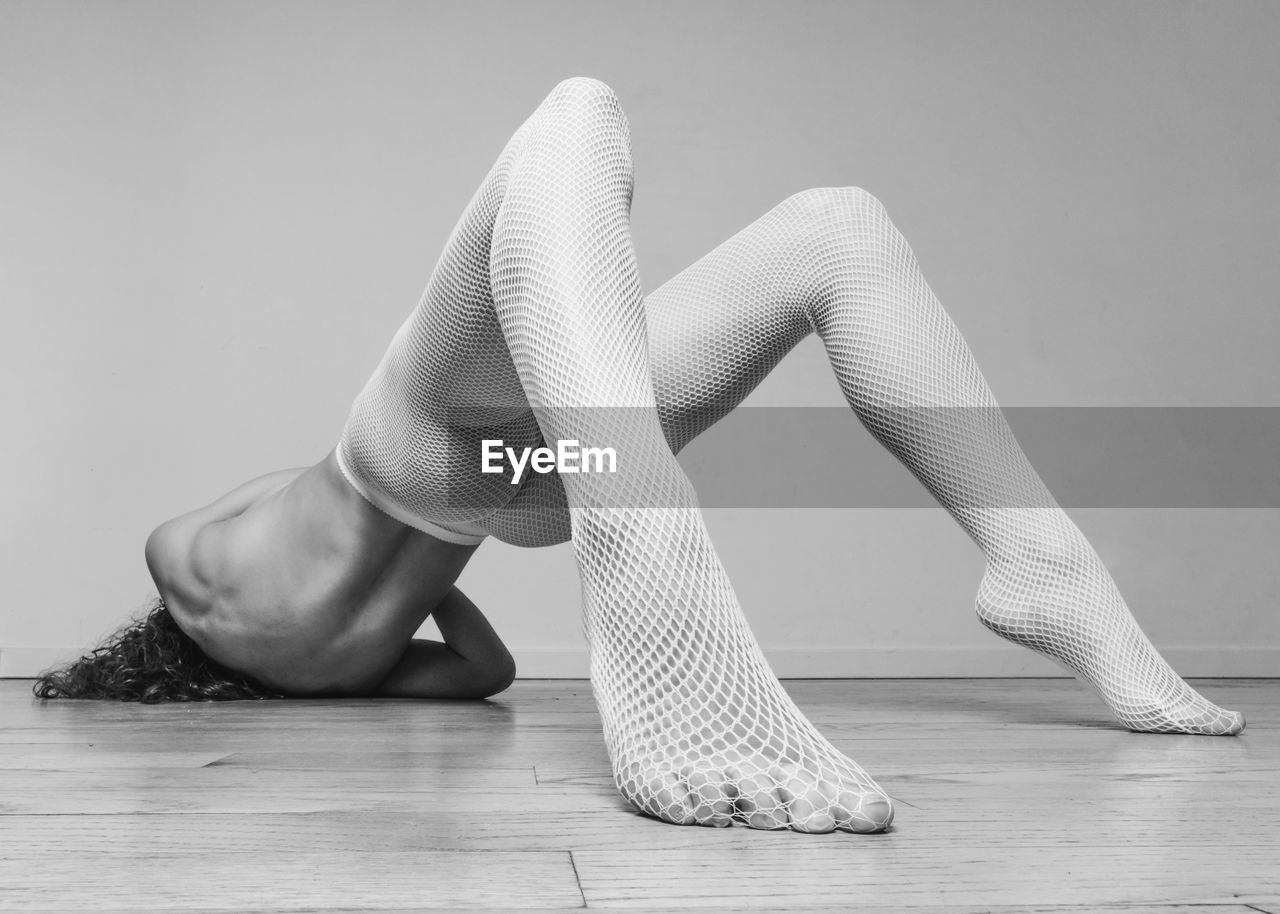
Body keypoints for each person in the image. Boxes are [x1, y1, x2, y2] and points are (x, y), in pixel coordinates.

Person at [35, 77, 1245, 836]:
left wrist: (416, 591)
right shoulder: (178, 556)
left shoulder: (325, 667)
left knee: (835, 229)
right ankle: (645, 522)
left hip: (515, 496)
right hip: (428, 454)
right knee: (576, 114)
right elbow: (273, 501)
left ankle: (1042, 564)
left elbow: (483, 670)